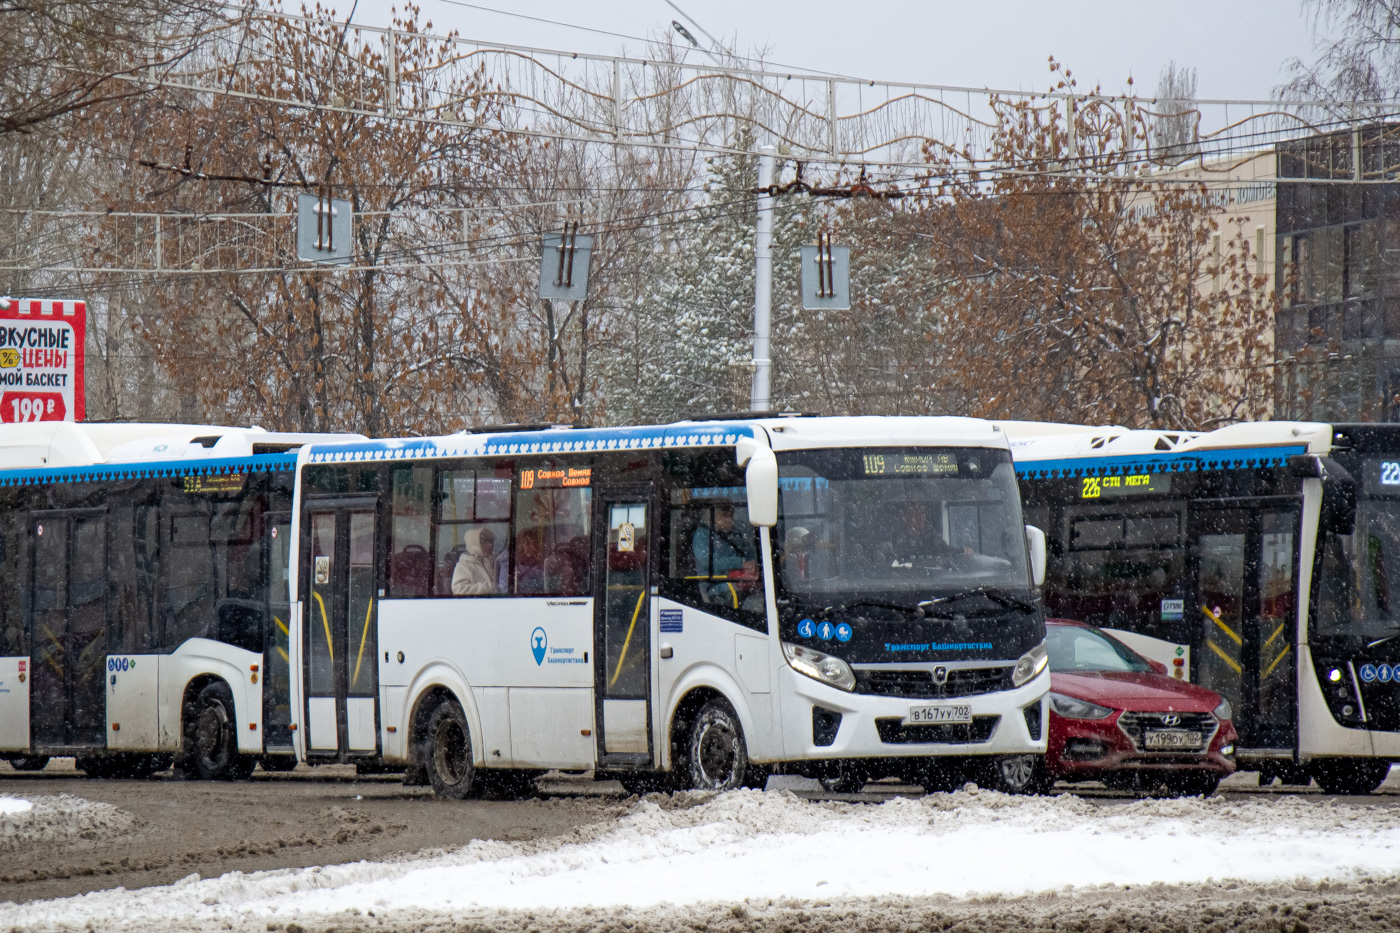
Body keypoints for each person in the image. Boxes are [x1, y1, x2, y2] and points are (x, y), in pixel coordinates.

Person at [692, 502, 758, 607]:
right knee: (755, 603)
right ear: (713, 516)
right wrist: (740, 563)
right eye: (725, 516)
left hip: (736, 580)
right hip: (714, 587)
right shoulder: (702, 535)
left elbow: (745, 551)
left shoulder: (732, 534)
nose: (730, 520)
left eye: (731, 515)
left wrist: (754, 560)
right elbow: (707, 562)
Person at [452, 526, 500, 595]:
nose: (490, 545)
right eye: (484, 542)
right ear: (474, 544)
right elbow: (459, 589)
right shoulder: (464, 565)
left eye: (491, 541)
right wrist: (491, 587)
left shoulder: (494, 561)